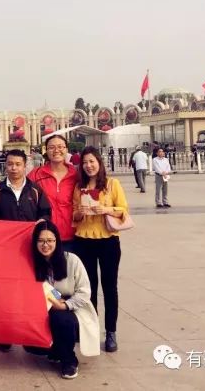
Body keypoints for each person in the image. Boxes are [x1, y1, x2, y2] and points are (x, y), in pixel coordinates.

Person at [0, 148, 51, 352]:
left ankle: (29, 333)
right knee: (5, 293)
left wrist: (41, 224)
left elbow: (46, 214)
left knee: (31, 291)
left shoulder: (35, 190)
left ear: (25, 166)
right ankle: (6, 334)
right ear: (5, 166)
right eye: (10, 164)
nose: (13, 168)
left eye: (18, 164)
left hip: (31, 251)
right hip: (6, 252)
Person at [72, 146, 129, 353]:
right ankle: (91, 330)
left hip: (108, 241)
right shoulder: (79, 187)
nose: (89, 166)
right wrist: (80, 212)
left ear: (99, 162)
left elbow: (123, 210)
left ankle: (111, 332)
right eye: (85, 163)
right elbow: (73, 215)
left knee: (110, 287)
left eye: (92, 161)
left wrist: (105, 209)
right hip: (84, 240)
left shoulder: (112, 184)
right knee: (89, 288)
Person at [26, 221, 100, 379]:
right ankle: (55, 349)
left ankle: (69, 360)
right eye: (41, 241)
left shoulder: (72, 260)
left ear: (57, 241)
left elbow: (84, 292)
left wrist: (65, 305)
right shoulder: (30, 263)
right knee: (32, 346)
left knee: (62, 319)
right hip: (42, 307)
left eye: (50, 240)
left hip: (71, 308)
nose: (45, 245)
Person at [28, 135, 78, 253]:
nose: (56, 150)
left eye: (60, 147)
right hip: (45, 238)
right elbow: (19, 186)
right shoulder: (36, 174)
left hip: (73, 237)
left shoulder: (76, 174)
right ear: (46, 150)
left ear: (66, 149)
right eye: (51, 147)